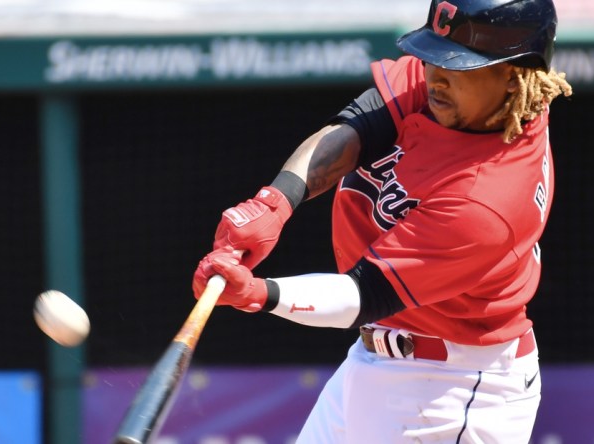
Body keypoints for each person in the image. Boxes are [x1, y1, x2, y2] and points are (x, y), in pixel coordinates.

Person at [193, 0, 572, 441]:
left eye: (458, 66)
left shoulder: (487, 202)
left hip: (451, 391)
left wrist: (259, 292)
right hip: (378, 357)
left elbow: (362, 294)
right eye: (433, 57)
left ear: (513, 77)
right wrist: (275, 202)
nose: (435, 75)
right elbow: (357, 126)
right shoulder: (467, 99)